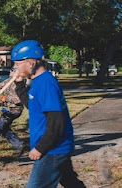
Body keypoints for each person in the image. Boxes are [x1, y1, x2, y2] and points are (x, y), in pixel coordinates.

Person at [11, 40, 85, 188]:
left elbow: (56, 123)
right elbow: (33, 106)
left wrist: (40, 148)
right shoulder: (38, 82)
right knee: (71, 183)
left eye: (18, 64)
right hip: (56, 147)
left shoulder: (46, 84)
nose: (15, 68)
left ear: (31, 63)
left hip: (53, 150)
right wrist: (19, 85)